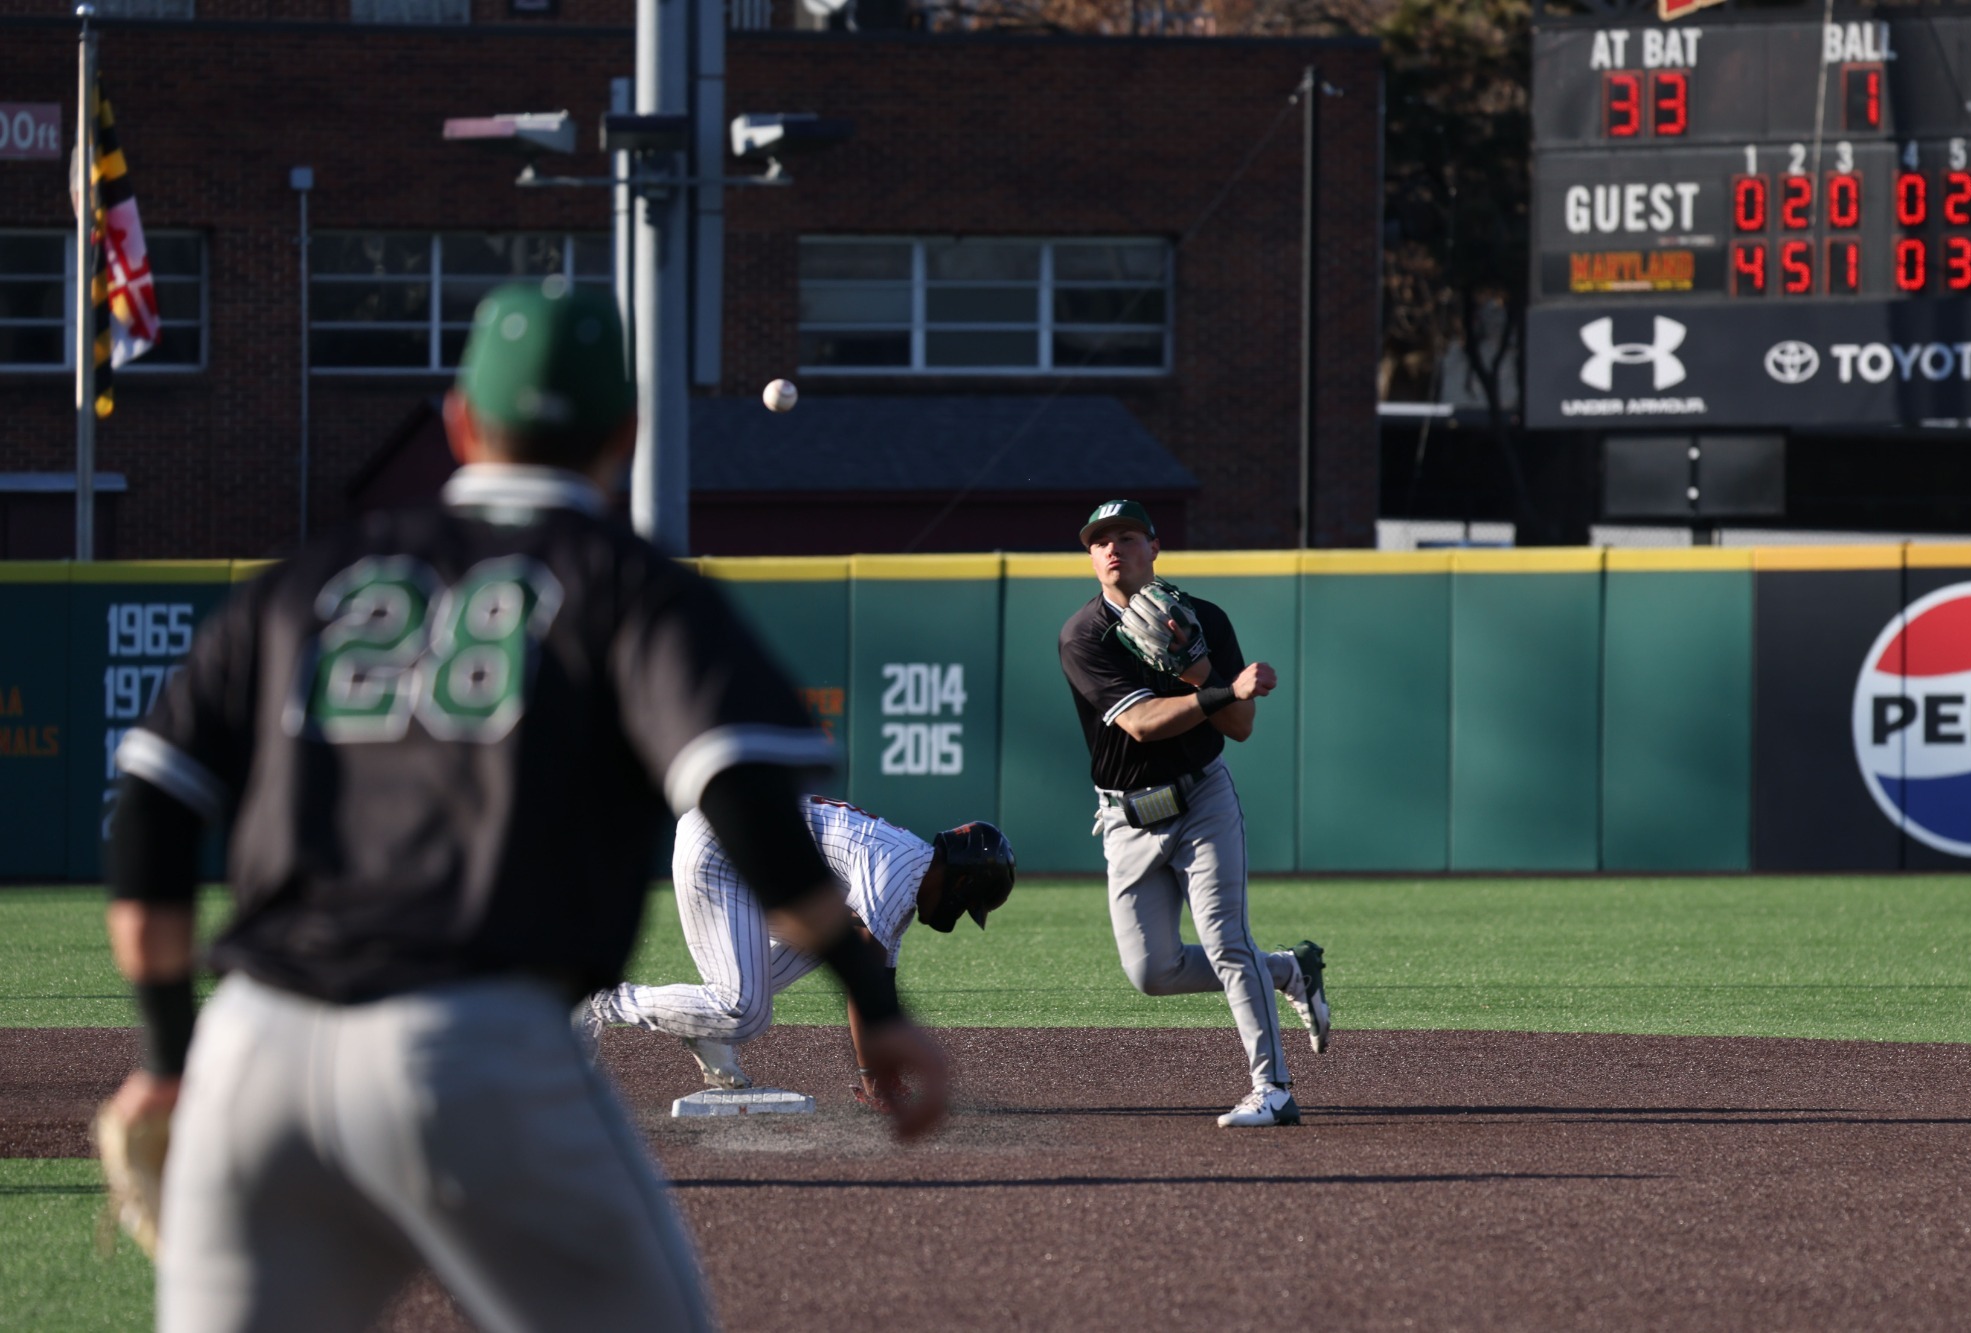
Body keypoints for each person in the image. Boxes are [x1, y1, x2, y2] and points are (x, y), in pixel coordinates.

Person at [96, 279, 947, 1333]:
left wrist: (172, 1053)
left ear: (457, 421)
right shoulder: (628, 585)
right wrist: (876, 995)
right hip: (474, 1045)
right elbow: (743, 801)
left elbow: (148, 809)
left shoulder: (305, 579)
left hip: (253, 1047)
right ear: (626, 435)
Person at [1056, 499, 1330, 1129]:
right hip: (1125, 816)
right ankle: (1290, 971)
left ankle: (1275, 1089)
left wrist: (1200, 666)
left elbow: (1240, 727)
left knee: (1226, 942)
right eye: (1100, 540)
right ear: (1091, 556)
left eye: (1127, 535)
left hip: (1202, 798)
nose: (1112, 547)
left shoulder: (1203, 618)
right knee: (1153, 971)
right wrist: (1214, 689)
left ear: (1155, 548)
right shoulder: (1084, 635)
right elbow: (1141, 724)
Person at [583, 800, 1014, 1103]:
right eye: (970, 903)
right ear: (963, 884)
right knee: (742, 1009)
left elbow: (875, 979)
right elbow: (865, 989)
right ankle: (600, 1000)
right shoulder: (900, 871)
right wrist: (875, 1080)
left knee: (828, 941)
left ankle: (705, 1029)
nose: (960, 915)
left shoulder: (908, 871)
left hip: (740, 849)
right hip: (720, 847)